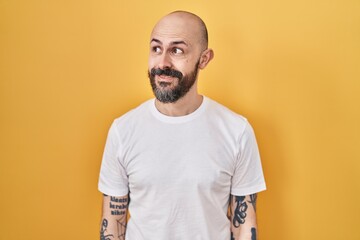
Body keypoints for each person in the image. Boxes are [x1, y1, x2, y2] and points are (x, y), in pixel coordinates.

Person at [98, 10, 266, 240]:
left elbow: (244, 225)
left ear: (204, 59)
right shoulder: (123, 130)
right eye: (156, 48)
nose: (163, 63)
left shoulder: (236, 131)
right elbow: (112, 227)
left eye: (177, 50)